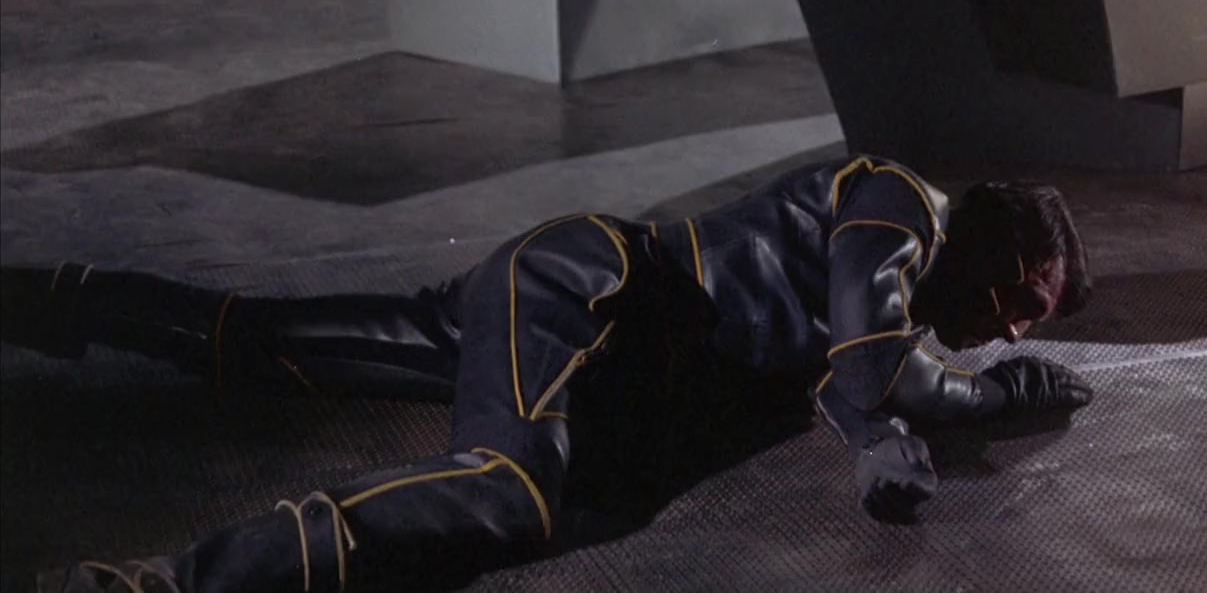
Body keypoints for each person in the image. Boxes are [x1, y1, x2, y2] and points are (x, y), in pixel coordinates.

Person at [1, 154, 1094, 593]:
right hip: (586, 295)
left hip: (570, 316)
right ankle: (144, 589)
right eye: (1021, 302)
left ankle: (42, 296)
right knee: (509, 493)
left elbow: (850, 370)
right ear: (996, 244)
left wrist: (882, 440)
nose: (1006, 330)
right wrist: (988, 398)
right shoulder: (901, 201)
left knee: (268, 341)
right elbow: (874, 363)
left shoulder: (890, 286)